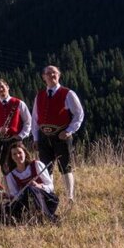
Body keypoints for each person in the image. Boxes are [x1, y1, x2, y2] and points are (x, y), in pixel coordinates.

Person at [31, 65, 84, 202]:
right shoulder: (40, 95)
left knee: (65, 166)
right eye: (48, 73)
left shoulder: (68, 93)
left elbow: (79, 115)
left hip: (61, 136)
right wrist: (36, 138)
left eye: (54, 73)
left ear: (59, 75)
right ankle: (50, 194)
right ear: (43, 77)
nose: (51, 75)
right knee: (45, 167)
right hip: (43, 136)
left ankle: (70, 196)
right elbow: (35, 118)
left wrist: (69, 131)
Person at [0, 78, 32, 174]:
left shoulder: (19, 103)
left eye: (2, 87)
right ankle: (9, 189)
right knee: (5, 169)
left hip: (16, 142)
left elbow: (28, 122)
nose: (0, 90)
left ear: (7, 87)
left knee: (21, 166)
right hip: (2, 142)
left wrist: (21, 135)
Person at [4, 141, 59, 223]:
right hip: (26, 204)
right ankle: (32, 218)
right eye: (14, 154)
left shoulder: (37, 165)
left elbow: (51, 186)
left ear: (25, 153)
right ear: (11, 157)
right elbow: (16, 195)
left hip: (46, 199)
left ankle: (47, 217)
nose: (17, 156)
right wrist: (9, 196)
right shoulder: (11, 175)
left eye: (20, 152)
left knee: (31, 189)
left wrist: (39, 186)